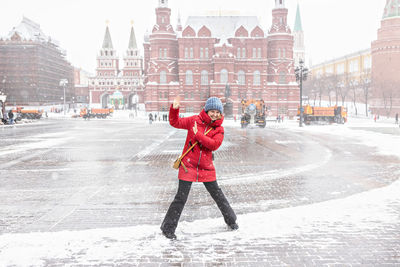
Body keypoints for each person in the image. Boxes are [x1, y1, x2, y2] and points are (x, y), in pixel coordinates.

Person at [160, 96, 238, 240]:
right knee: (180, 198)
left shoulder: (219, 129)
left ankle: (231, 221)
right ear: (206, 110)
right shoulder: (194, 120)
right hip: (188, 165)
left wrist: (198, 135)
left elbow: (213, 145)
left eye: (217, 112)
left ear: (221, 113)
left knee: (217, 195)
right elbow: (175, 122)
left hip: (206, 167)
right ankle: (168, 228)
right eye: (212, 111)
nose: (214, 114)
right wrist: (175, 109)